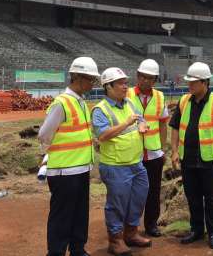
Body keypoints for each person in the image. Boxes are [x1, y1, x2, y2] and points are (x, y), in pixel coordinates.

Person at [38, 57, 100, 256]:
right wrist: (50, 153)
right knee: (62, 216)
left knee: (80, 213)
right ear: (78, 78)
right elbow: (44, 134)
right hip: (64, 171)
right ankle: (56, 252)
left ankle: (77, 249)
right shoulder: (62, 103)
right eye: (91, 80)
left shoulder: (80, 102)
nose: (93, 84)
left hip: (80, 168)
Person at [169, 62, 213, 249]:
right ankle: (196, 230)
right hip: (188, 160)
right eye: (189, 81)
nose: (189, 85)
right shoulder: (183, 102)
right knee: (193, 197)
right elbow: (174, 127)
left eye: (193, 82)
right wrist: (174, 151)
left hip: (209, 161)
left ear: (205, 82)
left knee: (212, 198)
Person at [92, 68, 152, 256]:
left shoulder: (129, 104)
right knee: (117, 203)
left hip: (136, 164)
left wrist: (142, 125)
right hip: (115, 166)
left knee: (138, 199)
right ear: (108, 86)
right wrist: (126, 123)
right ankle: (115, 240)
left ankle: (131, 233)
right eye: (121, 83)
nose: (126, 86)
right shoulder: (100, 109)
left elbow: (140, 119)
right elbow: (102, 135)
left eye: (126, 82)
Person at [126, 59, 170, 237]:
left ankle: (151, 224)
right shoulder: (126, 93)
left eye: (150, 78)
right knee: (129, 191)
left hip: (153, 154)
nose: (146, 81)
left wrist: (162, 149)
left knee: (153, 191)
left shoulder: (160, 97)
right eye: (143, 77)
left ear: (155, 80)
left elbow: (163, 124)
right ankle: (129, 227)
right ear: (137, 76)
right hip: (132, 153)